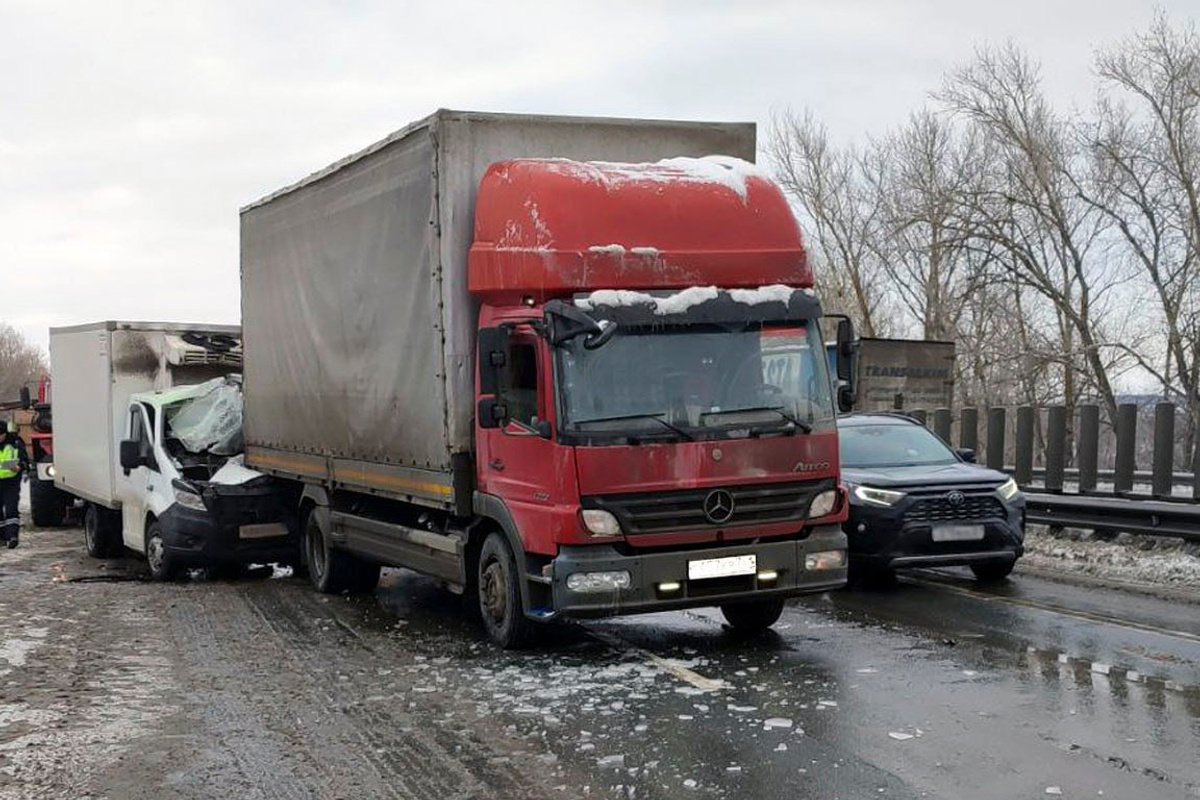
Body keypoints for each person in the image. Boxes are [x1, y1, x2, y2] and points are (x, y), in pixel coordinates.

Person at [0, 420, 29, 549]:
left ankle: (12, 537)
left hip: (11, 483)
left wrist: (19, 467)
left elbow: (23, 461)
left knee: (11, 509)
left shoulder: (15, 444)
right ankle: (2, 537)